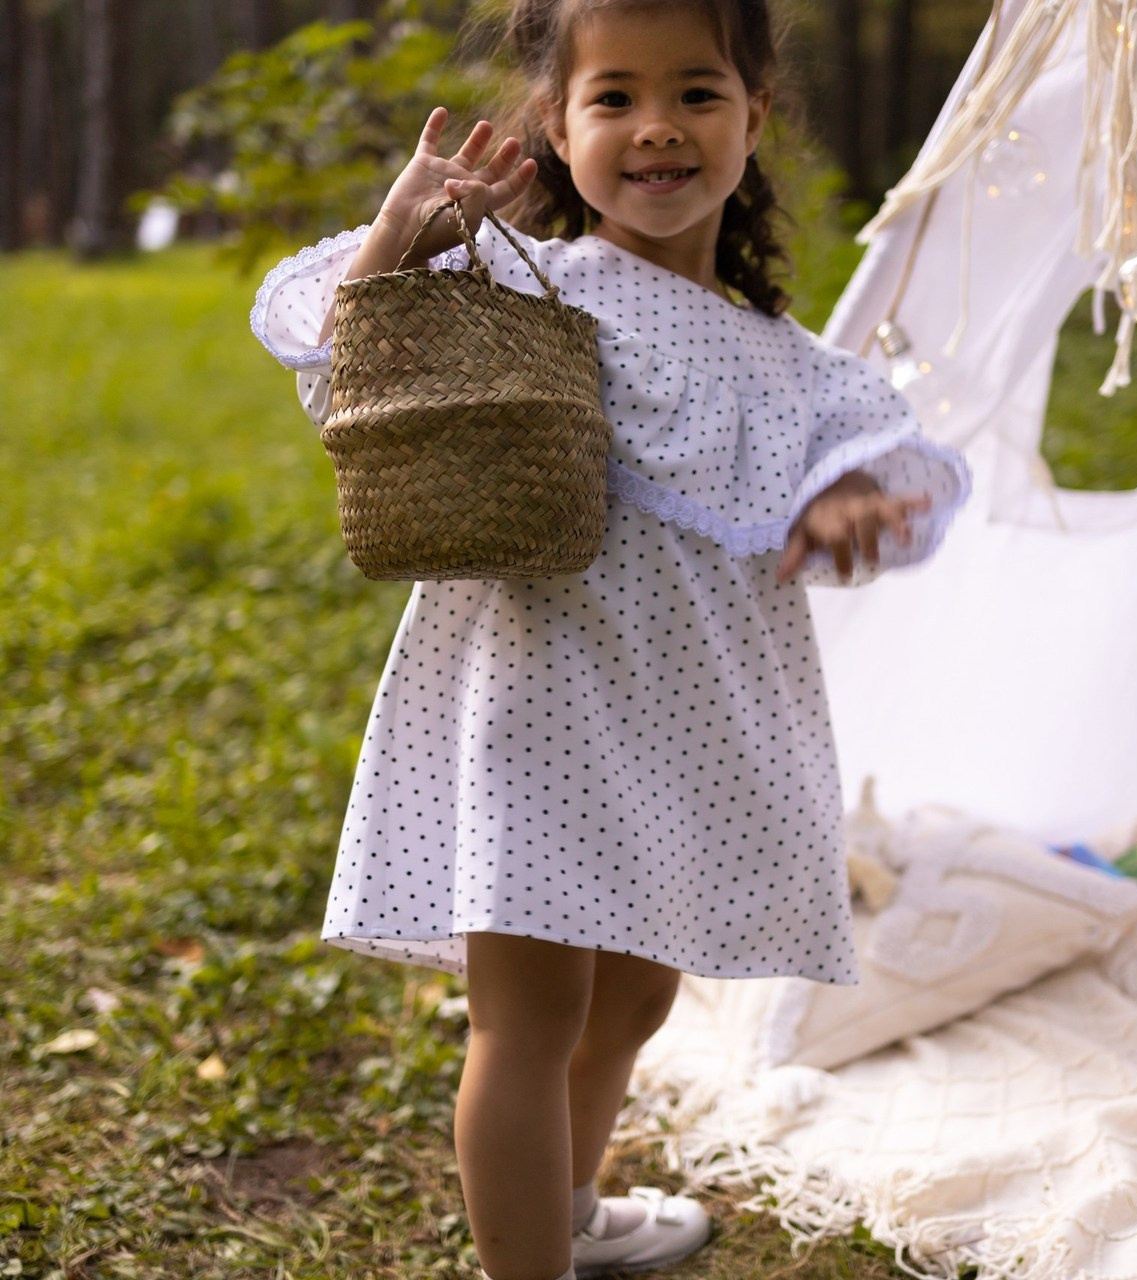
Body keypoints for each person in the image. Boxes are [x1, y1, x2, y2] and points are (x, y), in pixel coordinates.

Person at [251, 2, 969, 1277]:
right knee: (526, 1016)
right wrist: (400, 232)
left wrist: (849, 497)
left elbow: (869, 458)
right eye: (614, 97)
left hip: (689, 729)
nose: (656, 127)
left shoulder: (789, 363)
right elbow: (339, 353)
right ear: (555, 127)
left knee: (635, 993)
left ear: (754, 116)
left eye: (696, 93)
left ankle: (567, 1213)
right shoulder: (527, 297)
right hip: (538, 706)